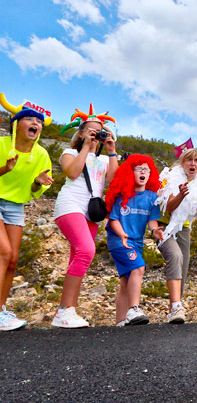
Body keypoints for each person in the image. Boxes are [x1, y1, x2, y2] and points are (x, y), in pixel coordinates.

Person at [52, 105, 119, 328]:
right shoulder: (69, 153)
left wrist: (111, 150)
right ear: (80, 133)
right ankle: (64, 310)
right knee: (86, 251)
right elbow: (72, 172)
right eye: (90, 131)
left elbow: (113, 181)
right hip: (70, 205)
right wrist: (86, 148)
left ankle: (69, 310)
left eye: (99, 132)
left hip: (91, 212)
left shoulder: (102, 160)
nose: (95, 135)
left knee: (78, 257)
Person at [0, 101, 53, 331]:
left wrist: (36, 182)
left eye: (39, 122)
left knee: (12, 261)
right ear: (16, 124)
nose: (36, 123)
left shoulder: (41, 155)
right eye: (30, 119)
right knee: (4, 252)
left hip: (16, 206)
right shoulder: (1, 145)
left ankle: (2, 309)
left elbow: (34, 192)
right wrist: (4, 169)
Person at [155, 148, 197, 323]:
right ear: (182, 162)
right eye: (189, 160)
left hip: (184, 228)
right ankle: (177, 306)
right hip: (165, 226)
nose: (193, 164)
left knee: (183, 267)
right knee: (175, 257)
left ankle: (174, 309)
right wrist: (180, 195)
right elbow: (169, 207)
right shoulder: (172, 177)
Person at [104, 155, 164, 326]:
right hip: (119, 241)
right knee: (138, 268)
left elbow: (152, 221)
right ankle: (134, 309)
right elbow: (113, 219)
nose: (143, 172)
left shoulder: (152, 197)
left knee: (126, 281)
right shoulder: (122, 195)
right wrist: (122, 234)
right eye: (139, 169)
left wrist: (155, 231)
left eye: (146, 169)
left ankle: (120, 321)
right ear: (130, 172)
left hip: (137, 243)